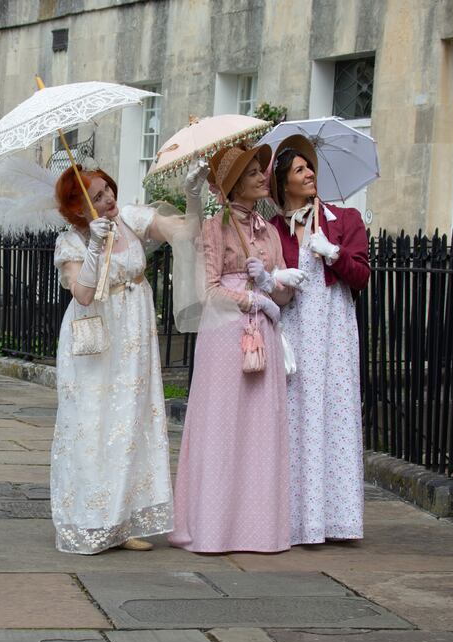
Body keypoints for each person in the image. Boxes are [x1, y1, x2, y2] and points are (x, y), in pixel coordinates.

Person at [169, 144, 306, 554]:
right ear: (232, 186)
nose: (264, 176)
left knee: (260, 430)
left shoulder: (268, 230)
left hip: (263, 333)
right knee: (224, 426)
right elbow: (209, 290)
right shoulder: (215, 226)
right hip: (226, 336)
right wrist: (249, 300)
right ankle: (213, 527)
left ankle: (258, 530)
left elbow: (284, 298)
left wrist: (270, 284)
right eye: (252, 173)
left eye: (262, 170)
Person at [50, 166, 175, 554]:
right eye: (99, 195)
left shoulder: (128, 219)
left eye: (108, 190)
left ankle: (122, 521)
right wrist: (93, 249)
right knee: (93, 422)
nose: (109, 199)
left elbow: (178, 232)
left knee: (129, 420)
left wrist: (192, 195)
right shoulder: (70, 242)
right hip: (95, 339)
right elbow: (83, 294)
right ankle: (91, 520)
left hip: (133, 334)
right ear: (79, 207)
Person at [267, 134, 371, 545]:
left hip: (333, 328)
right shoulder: (274, 228)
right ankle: (294, 518)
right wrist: (275, 278)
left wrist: (334, 253)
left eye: (310, 167)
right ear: (283, 182)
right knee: (294, 415)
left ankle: (335, 517)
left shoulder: (345, 220)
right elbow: (267, 281)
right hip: (293, 326)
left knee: (334, 412)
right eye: (299, 169)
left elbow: (361, 277)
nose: (309, 174)